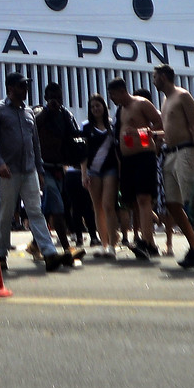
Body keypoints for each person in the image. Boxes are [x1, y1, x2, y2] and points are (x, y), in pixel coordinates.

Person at [0, 72, 67, 274]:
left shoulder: (29, 112)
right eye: (21, 86)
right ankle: (1, 254)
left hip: (29, 169)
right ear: (10, 89)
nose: (25, 90)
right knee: (5, 214)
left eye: (26, 86)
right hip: (7, 171)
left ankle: (48, 253)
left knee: (36, 211)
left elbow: (35, 144)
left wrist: (39, 169)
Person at [152, 65, 194, 270]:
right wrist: (154, 134)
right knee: (172, 204)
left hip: (186, 152)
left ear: (164, 77)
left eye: (155, 76)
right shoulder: (165, 100)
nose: (153, 80)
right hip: (169, 153)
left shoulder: (183, 95)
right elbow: (168, 131)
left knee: (192, 202)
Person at [109, 77, 161, 259]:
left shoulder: (141, 103)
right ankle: (148, 241)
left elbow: (159, 124)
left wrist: (142, 133)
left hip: (144, 156)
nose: (112, 99)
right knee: (134, 202)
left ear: (122, 91)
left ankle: (148, 242)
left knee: (144, 199)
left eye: (113, 95)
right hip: (127, 160)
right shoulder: (120, 111)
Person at [34, 82, 83, 256]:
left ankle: (35, 243)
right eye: (52, 97)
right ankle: (65, 247)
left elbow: (75, 136)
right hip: (43, 167)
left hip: (59, 167)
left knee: (48, 207)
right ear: (46, 98)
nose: (56, 101)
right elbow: (34, 126)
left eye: (59, 98)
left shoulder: (66, 115)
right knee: (57, 206)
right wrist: (48, 110)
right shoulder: (39, 113)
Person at [80, 96, 120, 255]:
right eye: (92, 107)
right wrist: (83, 174)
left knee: (108, 205)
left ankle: (112, 244)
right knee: (97, 208)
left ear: (104, 106)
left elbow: (117, 151)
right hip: (92, 171)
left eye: (98, 105)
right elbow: (83, 152)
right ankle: (104, 244)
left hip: (110, 169)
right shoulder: (85, 127)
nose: (96, 109)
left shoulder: (112, 125)